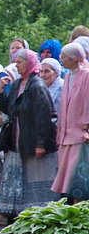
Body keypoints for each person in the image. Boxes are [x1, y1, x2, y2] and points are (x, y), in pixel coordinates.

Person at [0, 49, 58, 218]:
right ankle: (17, 215)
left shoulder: (37, 85)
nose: (16, 65)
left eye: (20, 62)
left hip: (31, 141)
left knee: (36, 181)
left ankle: (39, 215)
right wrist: (0, 93)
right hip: (18, 141)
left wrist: (40, 144)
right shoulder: (17, 84)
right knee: (20, 180)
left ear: (29, 63)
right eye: (16, 62)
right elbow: (10, 109)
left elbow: (43, 116)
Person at [52, 43, 89, 198]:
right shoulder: (68, 76)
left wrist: (86, 127)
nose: (61, 59)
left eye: (64, 57)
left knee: (77, 173)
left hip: (79, 132)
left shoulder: (86, 75)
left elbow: (87, 101)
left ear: (74, 59)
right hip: (66, 132)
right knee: (66, 173)